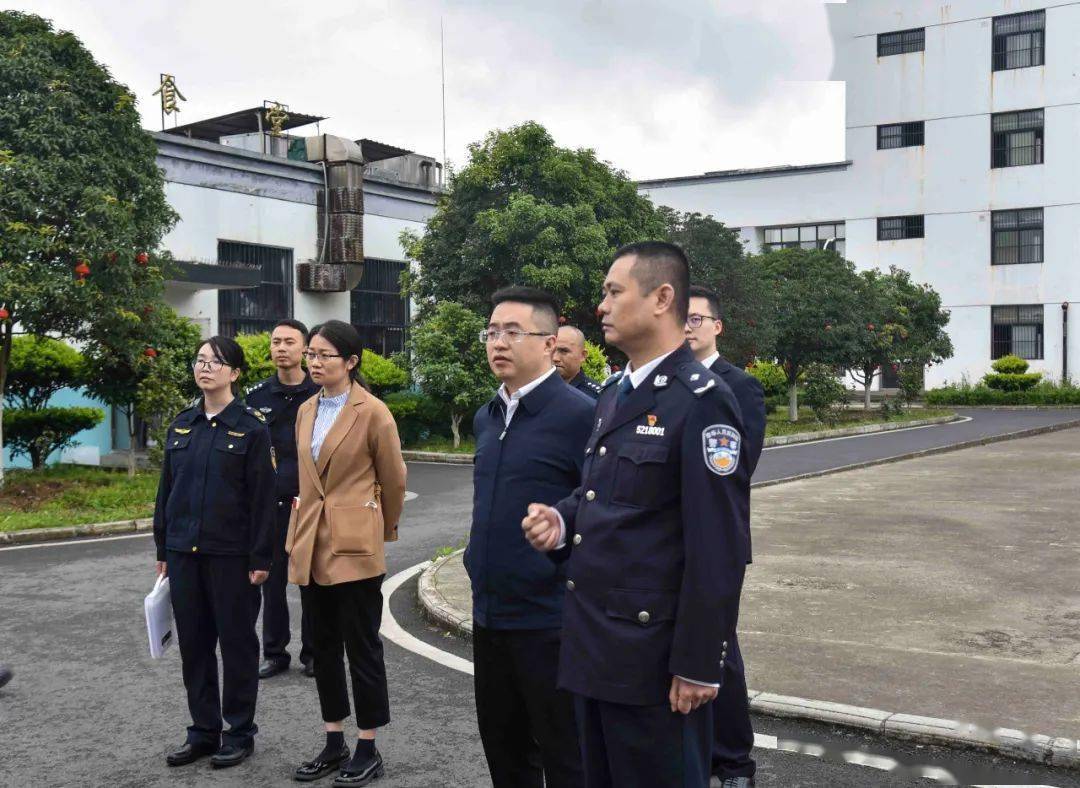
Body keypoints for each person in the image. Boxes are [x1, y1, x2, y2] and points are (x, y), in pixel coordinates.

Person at [522, 241, 751, 788]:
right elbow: (601, 496)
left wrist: (699, 663)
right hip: (595, 649)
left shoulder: (702, 401)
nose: (600, 305)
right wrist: (561, 522)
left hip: (654, 662)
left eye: (613, 292)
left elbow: (718, 545)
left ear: (661, 297)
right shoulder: (616, 394)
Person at [467, 286, 591, 788]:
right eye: (492, 331)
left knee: (566, 756)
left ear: (548, 342)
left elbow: (601, 504)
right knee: (505, 753)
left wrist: (558, 534)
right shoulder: (486, 416)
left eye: (513, 332)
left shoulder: (580, 415)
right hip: (490, 615)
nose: (499, 342)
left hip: (551, 620)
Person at [288, 320, 406, 786]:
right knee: (321, 647)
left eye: (324, 355)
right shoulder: (306, 410)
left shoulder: (373, 411)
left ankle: (368, 744)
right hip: (311, 541)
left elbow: (394, 478)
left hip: (356, 544)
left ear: (351, 361)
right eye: (311, 355)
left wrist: (381, 525)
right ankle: (333, 739)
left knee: (362, 646)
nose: (314, 363)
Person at [153, 335, 276, 769]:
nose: (205, 368)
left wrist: (262, 558)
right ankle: (203, 730)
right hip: (183, 552)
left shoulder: (251, 427)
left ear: (235, 373)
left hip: (232, 557)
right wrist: (162, 545)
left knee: (238, 645)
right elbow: (167, 490)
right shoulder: (182, 424)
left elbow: (264, 500)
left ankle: (239, 731)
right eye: (200, 360)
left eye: (216, 362)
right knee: (195, 645)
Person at [685, 285, 766, 788]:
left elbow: (737, 468)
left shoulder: (739, 386)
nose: (689, 326)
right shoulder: (671, 383)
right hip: (671, 545)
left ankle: (734, 763)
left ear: (718, 326)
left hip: (719, 541)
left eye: (697, 318)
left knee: (718, 652)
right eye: (683, 319)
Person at [245, 319, 320, 680]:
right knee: (271, 581)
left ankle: (314, 653)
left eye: (289, 341)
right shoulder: (256, 397)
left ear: (304, 349)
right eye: (275, 341)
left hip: (309, 502)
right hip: (271, 503)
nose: (281, 348)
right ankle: (275, 653)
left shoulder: (320, 393)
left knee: (312, 580)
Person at [552, 325, 603, 400]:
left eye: (564, 351)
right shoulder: (536, 388)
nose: (555, 358)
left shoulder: (597, 397)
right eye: (551, 350)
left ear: (583, 355)